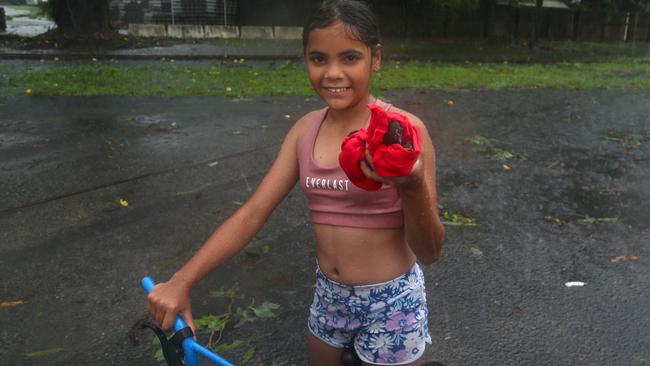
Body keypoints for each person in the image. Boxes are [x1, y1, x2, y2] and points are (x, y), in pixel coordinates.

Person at [146, 0, 445, 364]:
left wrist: (411, 189)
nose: (333, 73)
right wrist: (182, 280)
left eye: (350, 58)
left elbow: (430, 251)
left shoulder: (404, 133)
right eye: (319, 59)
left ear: (376, 57)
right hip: (329, 298)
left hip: (392, 301)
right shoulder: (305, 131)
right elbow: (253, 213)